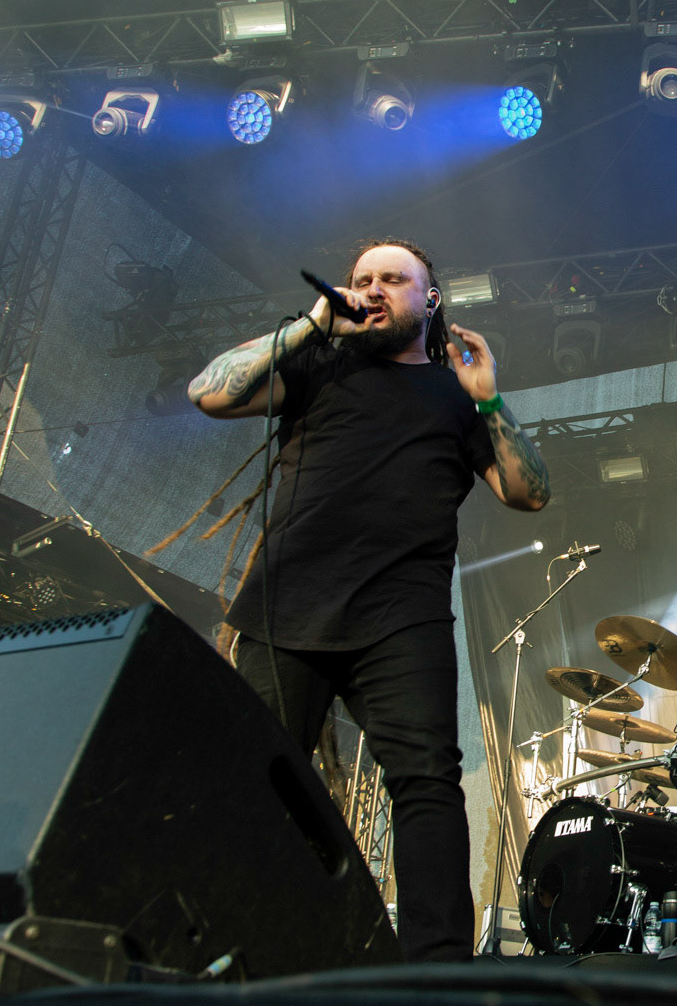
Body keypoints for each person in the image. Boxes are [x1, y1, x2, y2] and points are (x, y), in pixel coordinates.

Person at [188, 238, 550, 962]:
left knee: (426, 784)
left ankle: (438, 965)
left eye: (394, 278)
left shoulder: (456, 394)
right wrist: (310, 324)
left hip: (402, 618)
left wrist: (492, 398)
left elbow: (528, 492)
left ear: (431, 299)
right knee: (256, 777)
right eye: (362, 278)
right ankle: (227, 946)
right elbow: (211, 392)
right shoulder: (319, 364)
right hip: (287, 607)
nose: (374, 287)